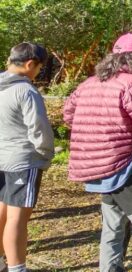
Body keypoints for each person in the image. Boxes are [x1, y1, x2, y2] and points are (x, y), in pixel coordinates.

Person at [63, 33, 132, 272]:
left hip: (98, 170)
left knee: (113, 230)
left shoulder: (88, 84)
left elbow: (68, 115)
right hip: (128, 168)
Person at [0, 43, 54, 272]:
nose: (38, 73)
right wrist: (46, 153)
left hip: (2, 157)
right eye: (39, 68)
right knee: (17, 219)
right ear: (30, 64)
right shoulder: (26, 91)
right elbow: (39, 127)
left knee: (2, 211)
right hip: (23, 160)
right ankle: (17, 268)